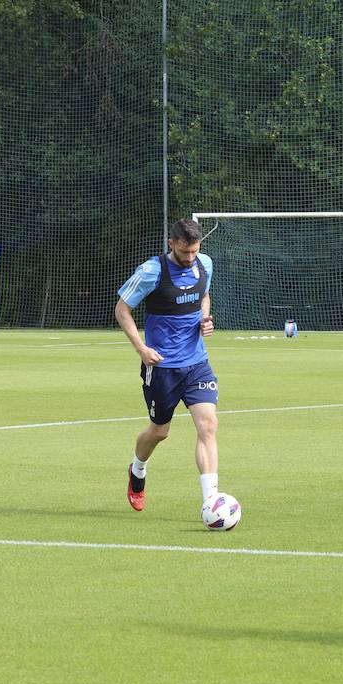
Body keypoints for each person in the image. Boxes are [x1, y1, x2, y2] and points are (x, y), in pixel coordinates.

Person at [114, 218, 219, 516]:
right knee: (160, 432)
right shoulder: (152, 271)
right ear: (171, 244)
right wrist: (141, 348)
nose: (190, 258)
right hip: (161, 367)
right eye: (185, 252)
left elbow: (204, 295)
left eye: (194, 252)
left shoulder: (205, 265)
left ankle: (211, 500)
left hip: (197, 363)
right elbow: (122, 309)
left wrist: (204, 319)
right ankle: (138, 470)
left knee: (208, 426)